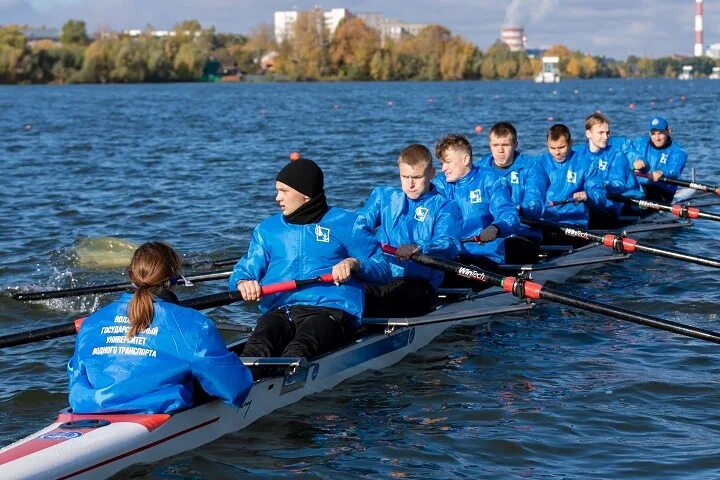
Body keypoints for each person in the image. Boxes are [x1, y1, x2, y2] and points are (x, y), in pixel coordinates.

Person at [229, 158, 391, 361]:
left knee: (299, 350)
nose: (277, 198)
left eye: (284, 191)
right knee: (256, 350)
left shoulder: (348, 224)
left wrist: (355, 264)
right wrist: (243, 282)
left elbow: (383, 269)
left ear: (305, 194)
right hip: (281, 310)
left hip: (330, 310)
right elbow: (245, 269)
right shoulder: (267, 230)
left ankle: (286, 381)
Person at [68, 242, 253, 414]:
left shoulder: (91, 322)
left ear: (130, 276)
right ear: (173, 279)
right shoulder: (195, 325)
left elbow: (76, 376)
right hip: (151, 411)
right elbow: (235, 389)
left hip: (88, 407)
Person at [357, 144, 462, 317]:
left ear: (431, 174)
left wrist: (419, 247)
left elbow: (450, 244)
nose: (410, 184)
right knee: (346, 292)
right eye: (405, 177)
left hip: (417, 282)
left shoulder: (445, 207)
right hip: (379, 274)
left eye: (417, 177)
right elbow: (359, 224)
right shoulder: (384, 197)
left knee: (378, 305)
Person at [433, 133, 521, 272]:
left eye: (448, 162)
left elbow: (510, 215)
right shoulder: (439, 184)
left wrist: (496, 228)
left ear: (465, 159)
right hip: (450, 256)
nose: (443, 168)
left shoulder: (491, 180)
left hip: (484, 257)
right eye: (442, 163)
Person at [477, 122, 548, 264]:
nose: (500, 150)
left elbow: (536, 205)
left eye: (506, 145)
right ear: (490, 145)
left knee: (509, 246)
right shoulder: (480, 167)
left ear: (515, 144)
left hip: (521, 233)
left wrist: (517, 209)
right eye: (496, 145)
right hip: (487, 235)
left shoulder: (531, 167)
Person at [574, 112, 643, 228]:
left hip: (607, 206)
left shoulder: (617, 155)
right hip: (582, 203)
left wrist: (595, 187)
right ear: (588, 134)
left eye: (607, 133)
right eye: (601, 133)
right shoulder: (576, 153)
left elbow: (618, 184)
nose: (606, 137)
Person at [535, 124, 605, 229]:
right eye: (552, 148)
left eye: (561, 147)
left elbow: (600, 195)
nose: (557, 152)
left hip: (573, 222)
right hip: (544, 221)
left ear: (571, 143)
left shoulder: (587, 163)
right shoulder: (539, 163)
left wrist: (587, 196)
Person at [626, 116, 688, 203]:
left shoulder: (678, 152)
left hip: (661, 192)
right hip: (638, 188)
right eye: (653, 134)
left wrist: (661, 172)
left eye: (660, 133)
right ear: (649, 133)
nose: (657, 138)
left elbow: (674, 170)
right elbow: (626, 153)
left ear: (668, 131)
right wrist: (634, 161)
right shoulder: (640, 143)